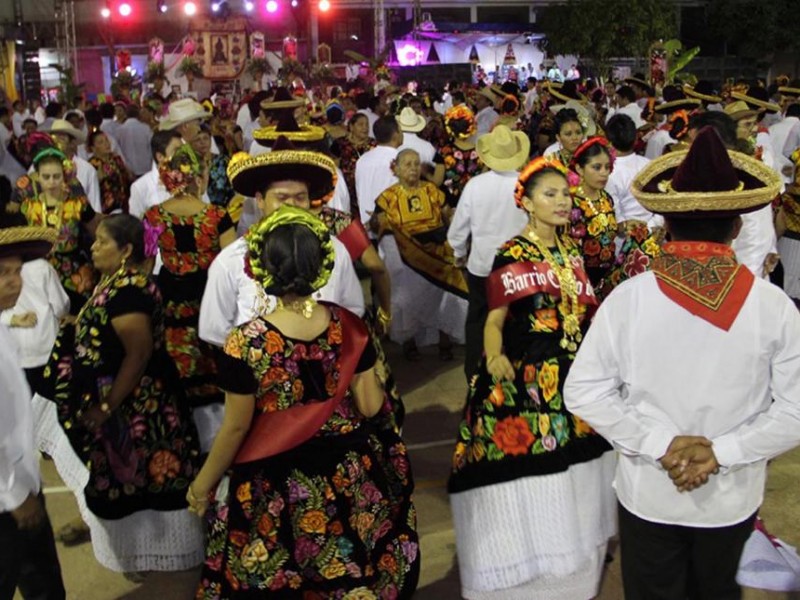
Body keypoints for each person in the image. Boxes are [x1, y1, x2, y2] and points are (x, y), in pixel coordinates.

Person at [564, 126, 795, 600]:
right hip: (729, 499)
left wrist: (660, 445)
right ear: (737, 227)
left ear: (666, 224)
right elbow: (795, 411)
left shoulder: (627, 300)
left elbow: (583, 391)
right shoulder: (773, 307)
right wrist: (722, 453)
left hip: (650, 491)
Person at [190, 208, 419, 598]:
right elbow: (368, 405)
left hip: (275, 480)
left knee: (280, 576)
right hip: (348, 472)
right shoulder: (349, 326)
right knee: (349, 570)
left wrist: (201, 485)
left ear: (259, 268)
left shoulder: (244, 342)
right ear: (320, 269)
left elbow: (236, 427)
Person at [448, 156, 616, 600]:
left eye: (565, 194)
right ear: (527, 202)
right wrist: (493, 355)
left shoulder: (571, 250)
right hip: (526, 375)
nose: (561, 202)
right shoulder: (514, 251)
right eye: (550, 194)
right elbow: (493, 318)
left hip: (574, 374)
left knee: (579, 468)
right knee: (532, 471)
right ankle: (528, 559)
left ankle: (575, 558)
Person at [46, 214, 203, 573]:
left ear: (126, 250)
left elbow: (139, 353)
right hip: (126, 403)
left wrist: (107, 405)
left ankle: (166, 567)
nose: (93, 246)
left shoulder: (129, 290)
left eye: (102, 241)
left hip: (140, 409)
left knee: (150, 481)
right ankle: (139, 557)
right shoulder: (115, 282)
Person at [144, 144, 235, 426]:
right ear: (199, 176)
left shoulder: (153, 215)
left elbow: (147, 264)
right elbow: (231, 265)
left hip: (170, 294)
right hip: (209, 294)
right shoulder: (217, 216)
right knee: (214, 361)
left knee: (178, 360)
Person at [0, 215, 66, 600]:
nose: (15, 280)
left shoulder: (4, 329)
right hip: (9, 500)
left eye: (17, 271)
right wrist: (14, 496)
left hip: (25, 488)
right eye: (4, 272)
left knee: (44, 584)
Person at [447, 124, 529, 379]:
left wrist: (459, 252)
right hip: (518, 266)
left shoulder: (475, 185)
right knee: (518, 320)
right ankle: (515, 368)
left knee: (479, 319)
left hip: (482, 265)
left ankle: (474, 370)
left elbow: (458, 229)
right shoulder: (526, 184)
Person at [372, 148, 468, 360]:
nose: (413, 169)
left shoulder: (433, 191)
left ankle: (445, 344)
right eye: (407, 164)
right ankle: (410, 344)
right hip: (407, 258)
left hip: (436, 254)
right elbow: (377, 225)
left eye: (416, 164)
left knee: (445, 296)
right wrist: (378, 223)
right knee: (407, 300)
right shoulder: (387, 197)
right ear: (396, 169)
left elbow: (447, 218)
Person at [10, 146, 100, 312]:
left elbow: (94, 229)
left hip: (74, 268)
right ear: (37, 177)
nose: (51, 182)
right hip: (38, 269)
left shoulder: (77, 202)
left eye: (56, 176)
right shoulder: (28, 206)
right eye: (46, 177)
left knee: (80, 309)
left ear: (64, 176)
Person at [605, 114, 655, 230]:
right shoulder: (651, 165)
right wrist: (651, 226)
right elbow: (662, 203)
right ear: (636, 139)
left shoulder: (607, 173)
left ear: (609, 141)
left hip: (624, 240)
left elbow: (617, 219)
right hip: (654, 233)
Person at [355, 115, 402, 227]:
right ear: (395, 134)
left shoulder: (362, 160)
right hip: (393, 228)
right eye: (401, 130)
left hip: (368, 227)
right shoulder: (400, 159)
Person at [128, 130, 183, 219]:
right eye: (177, 150)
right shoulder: (140, 187)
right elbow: (135, 225)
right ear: (160, 157)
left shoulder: (190, 179)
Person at [435, 105, 482, 207]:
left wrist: (426, 173)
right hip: (474, 203)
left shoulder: (444, 151)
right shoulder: (480, 152)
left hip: (450, 204)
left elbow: (437, 181)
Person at [330, 112, 375, 218]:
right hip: (348, 190)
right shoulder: (340, 143)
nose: (365, 128)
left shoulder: (373, 144)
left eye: (367, 125)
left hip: (368, 190)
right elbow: (334, 165)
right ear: (351, 126)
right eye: (360, 124)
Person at [87, 130, 132, 214]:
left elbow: (126, 178)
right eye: (101, 142)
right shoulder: (92, 165)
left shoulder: (116, 159)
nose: (106, 144)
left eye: (106, 140)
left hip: (124, 204)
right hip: (106, 208)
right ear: (93, 148)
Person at [116, 104, 154, 178]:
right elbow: (152, 145)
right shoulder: (145, 128)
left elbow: (118, 150)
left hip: (129, 168)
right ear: (138, 114)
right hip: (146, 166)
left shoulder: (119, 130)